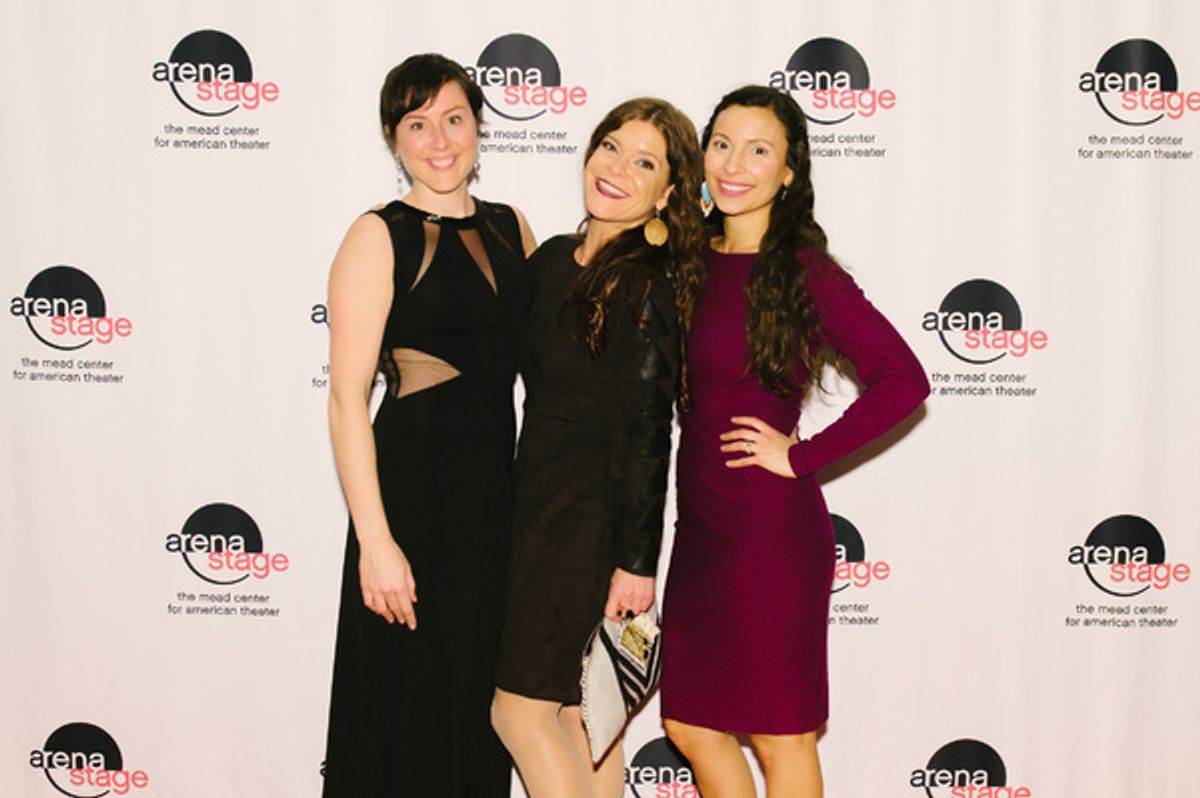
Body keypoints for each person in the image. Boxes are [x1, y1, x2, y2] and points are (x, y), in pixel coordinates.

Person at [660, 85, 930, 797]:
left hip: (769, 537)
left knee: (782, 738)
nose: (734, 164)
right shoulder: (692, 258)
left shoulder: (802, 271)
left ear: (789, 172)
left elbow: (903, 378)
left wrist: (800, 454)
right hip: (702, 533)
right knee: (691, 724)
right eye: (722, 144)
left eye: (759, 149)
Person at [321, 53, 536, 797]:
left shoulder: (514, 229)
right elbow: (348, 399)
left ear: (479, 127)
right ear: (393, 138)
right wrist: (376, 543)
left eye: (454, 119)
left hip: (492, 507)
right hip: (409, 503)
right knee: (403, 708)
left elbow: (549, 371)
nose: (439, 141)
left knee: (477, 709)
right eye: (418, 124)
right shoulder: (377, 235)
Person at [490, 98, 705, 798]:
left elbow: (651, 429)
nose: (615, 169)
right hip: (536, 500)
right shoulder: (553, 259)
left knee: (518, 710)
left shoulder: (646, 282)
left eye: (644, 163)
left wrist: (636, 563)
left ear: (668, 195)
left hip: (588, 523)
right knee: (587, 718)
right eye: (609, 147)